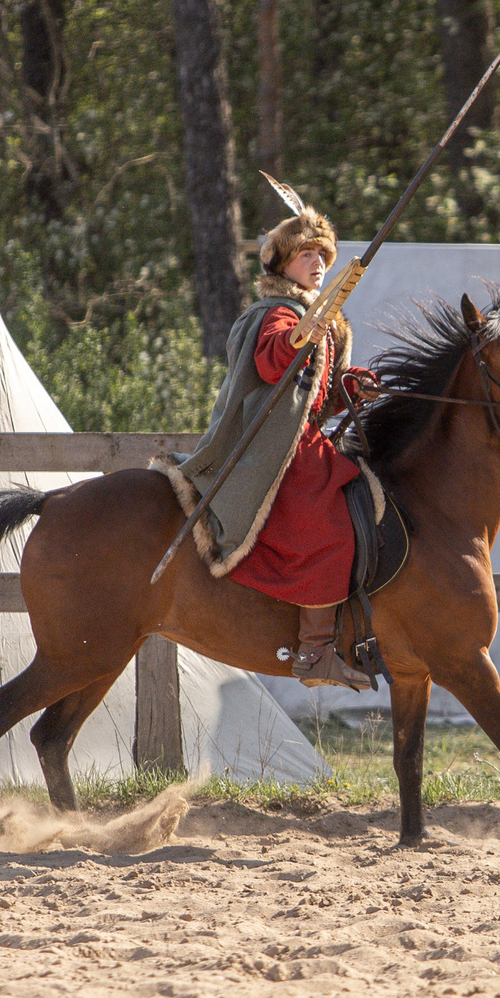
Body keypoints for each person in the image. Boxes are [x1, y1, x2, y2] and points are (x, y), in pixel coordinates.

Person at [178, 208, 377, 689]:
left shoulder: (319, 319)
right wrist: (299, 334)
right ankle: (315, 651)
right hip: (278, 449)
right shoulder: (276, 314)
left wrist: (352, 385)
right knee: (329, 528)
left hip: (306, 440)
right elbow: (271, 362)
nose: (317, 263)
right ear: (282, 264)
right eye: (306, 255)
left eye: (322, 255)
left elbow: (315, 398)